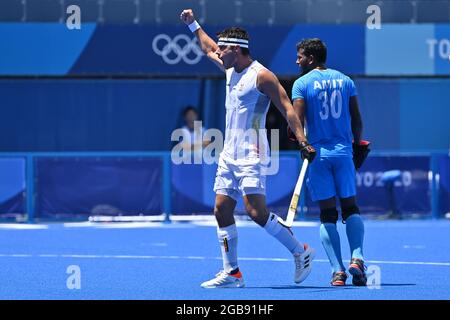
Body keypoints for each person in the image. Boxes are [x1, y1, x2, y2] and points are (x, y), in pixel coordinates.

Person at [180, 9, 317, 288]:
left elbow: (287, 107)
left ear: (237, 50)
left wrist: (302, 140)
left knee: (256, 213)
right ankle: (232, 273)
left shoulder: (262, 76)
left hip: (252, 153)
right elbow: (207, 46)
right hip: (228, 153)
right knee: (221, 210)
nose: (218, 52)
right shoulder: (230, 67)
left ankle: (300, 251)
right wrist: (193, 24)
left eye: (223, 48)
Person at [290, 38, 367, 286]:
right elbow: (357, 119)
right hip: (344, 152)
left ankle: (338, 271)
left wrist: (303, 143)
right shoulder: (346, 80)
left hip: (318, 155)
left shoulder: (302, 84)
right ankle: (358, 258)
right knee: (351, 208)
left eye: (300, 56)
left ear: (311, 59)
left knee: (327, 214)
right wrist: (357, 144)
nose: (297, 60)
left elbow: (296, 122)